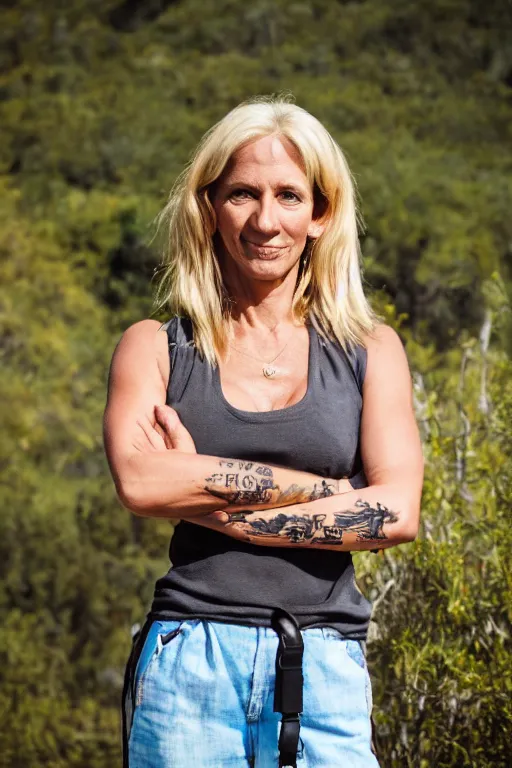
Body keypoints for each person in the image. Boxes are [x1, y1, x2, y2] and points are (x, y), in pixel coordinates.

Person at [103, 95, 424, 768]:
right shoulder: (156, 347)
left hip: (326, 666)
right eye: (242, 194)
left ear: (321, 214)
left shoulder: (371, 350)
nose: (265, 220)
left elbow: (397, 513)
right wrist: (323, 490)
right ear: (210, 207)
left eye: (288, 196)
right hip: (190, 660)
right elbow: (139, 479)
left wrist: (221, 505)